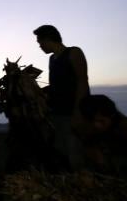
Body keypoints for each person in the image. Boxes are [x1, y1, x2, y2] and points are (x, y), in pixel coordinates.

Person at [34, 24, 89, 170]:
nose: (40, 46)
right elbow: (56, 86)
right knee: (61, 154)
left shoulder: (74, 53)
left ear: (48, 39)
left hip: (72, 113)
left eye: (40, 43)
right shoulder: (52, 59)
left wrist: (78, 112)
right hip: (56, 114)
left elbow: (82, 82)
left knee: (75, 154)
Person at [75, 94, 127, 171]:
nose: (97, 125)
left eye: (101, 121)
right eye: (92, 121)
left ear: (111, 115)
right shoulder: (89, 132)